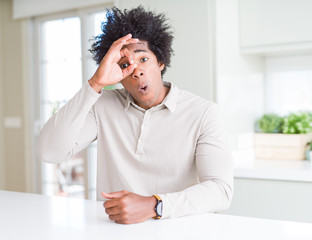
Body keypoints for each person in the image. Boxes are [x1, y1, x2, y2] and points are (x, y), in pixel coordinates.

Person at [36, 6, 233, 224]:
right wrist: (95, 84)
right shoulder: (103, 105)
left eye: (143, 59)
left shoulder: (203, 112)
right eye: (124, 64)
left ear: (160, 61)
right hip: (112, 231)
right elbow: (49, 152)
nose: (136, 70)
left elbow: (220, 190)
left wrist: (154, 205)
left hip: (177, 231)